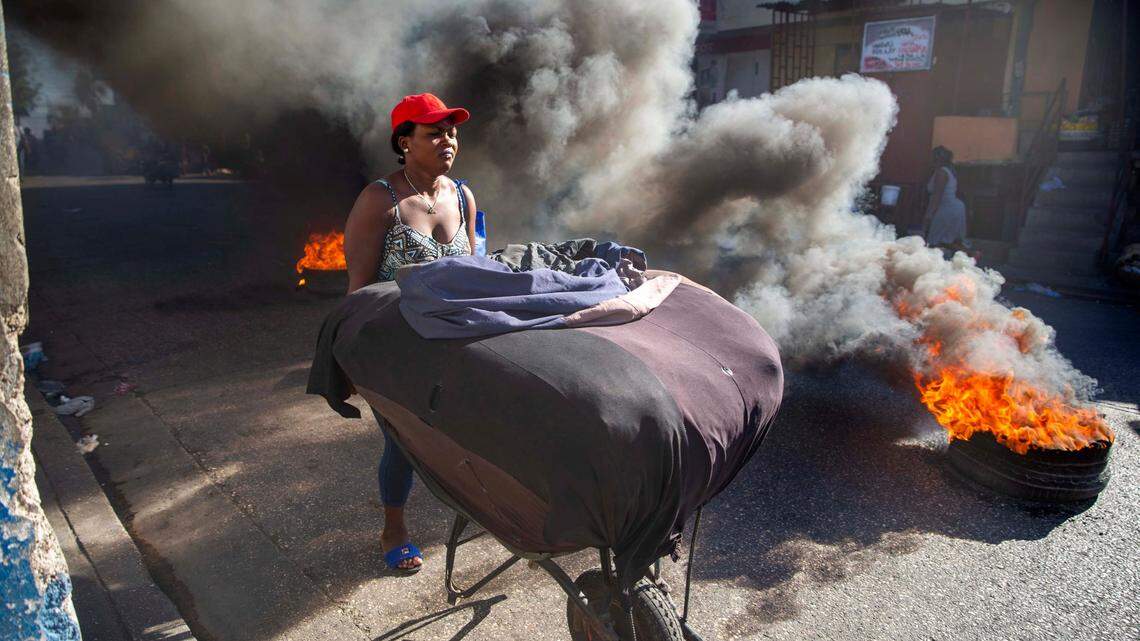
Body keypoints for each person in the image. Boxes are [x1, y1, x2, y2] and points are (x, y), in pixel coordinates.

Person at [342, 93, 477, 574]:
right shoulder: (381, 199)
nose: (448, 140)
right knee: (404, 442)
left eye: (452, 131)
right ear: (404, 142)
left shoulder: (462, 195)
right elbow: (358, 290)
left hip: (456, 343)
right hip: (394, 348)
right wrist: (353, 362)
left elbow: (473, 277)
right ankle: (394, 528)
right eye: (434, 132)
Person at [922, 146, 967, 251]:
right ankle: (970, 255)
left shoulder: (941, 173)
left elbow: (937, 196)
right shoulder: (949, 171)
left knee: (934, 242)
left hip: (947, 209)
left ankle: (971, 254)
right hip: (955, 207)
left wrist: (929, 215)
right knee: (949, 241)